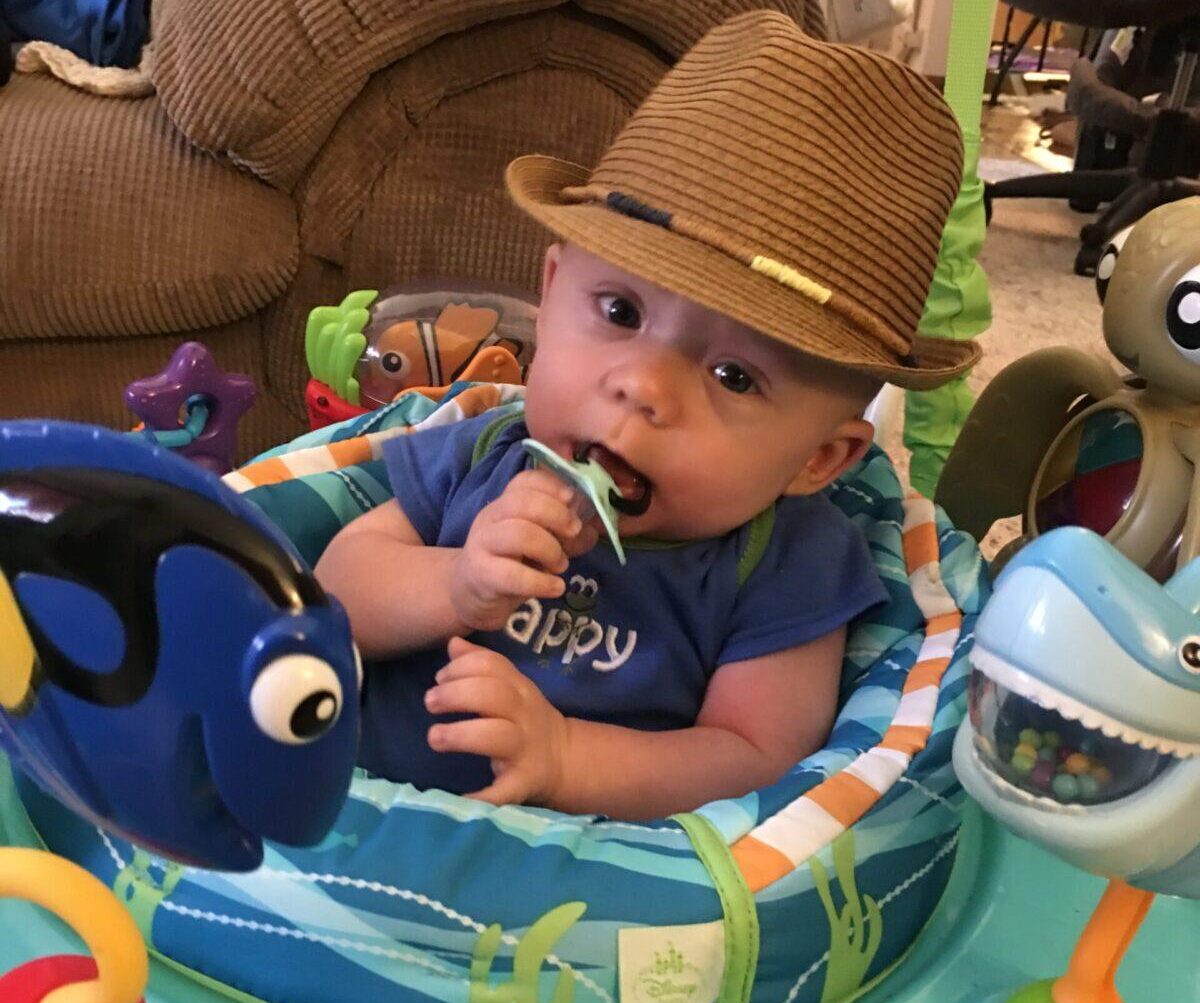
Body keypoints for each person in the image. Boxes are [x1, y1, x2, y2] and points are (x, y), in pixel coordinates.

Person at [315, 10, 979, 820]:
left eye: (734, 375)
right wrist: (454, 585)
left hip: (566, 875)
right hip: (335, 809)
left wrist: (566, 757)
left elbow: (759, 761)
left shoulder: (788, 562)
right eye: (620, 312)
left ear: (818, 460)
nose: (641, 387)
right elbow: (330, 593)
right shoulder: (487, 451)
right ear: (550, 293)